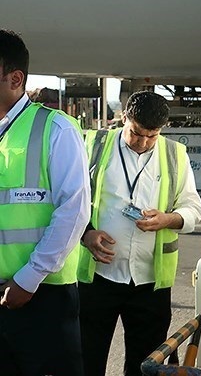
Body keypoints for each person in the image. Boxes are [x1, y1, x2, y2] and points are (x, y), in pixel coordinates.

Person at [78, 90, 201, 376]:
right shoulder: (94, 145)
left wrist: (168, 219)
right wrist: (86, 234)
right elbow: (71, 199)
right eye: (136, 133)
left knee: (145, 365)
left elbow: (192, 206)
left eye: (152, 135)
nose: (144, 142)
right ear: (125, 118)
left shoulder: (175, 154)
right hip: (98, 276)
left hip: (149, 282)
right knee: (86, 358)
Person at [0, 29, 91, 376]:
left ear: (15, 78)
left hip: (40, 297)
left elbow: (74, 211)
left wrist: (28, 278)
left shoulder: (56, 129)